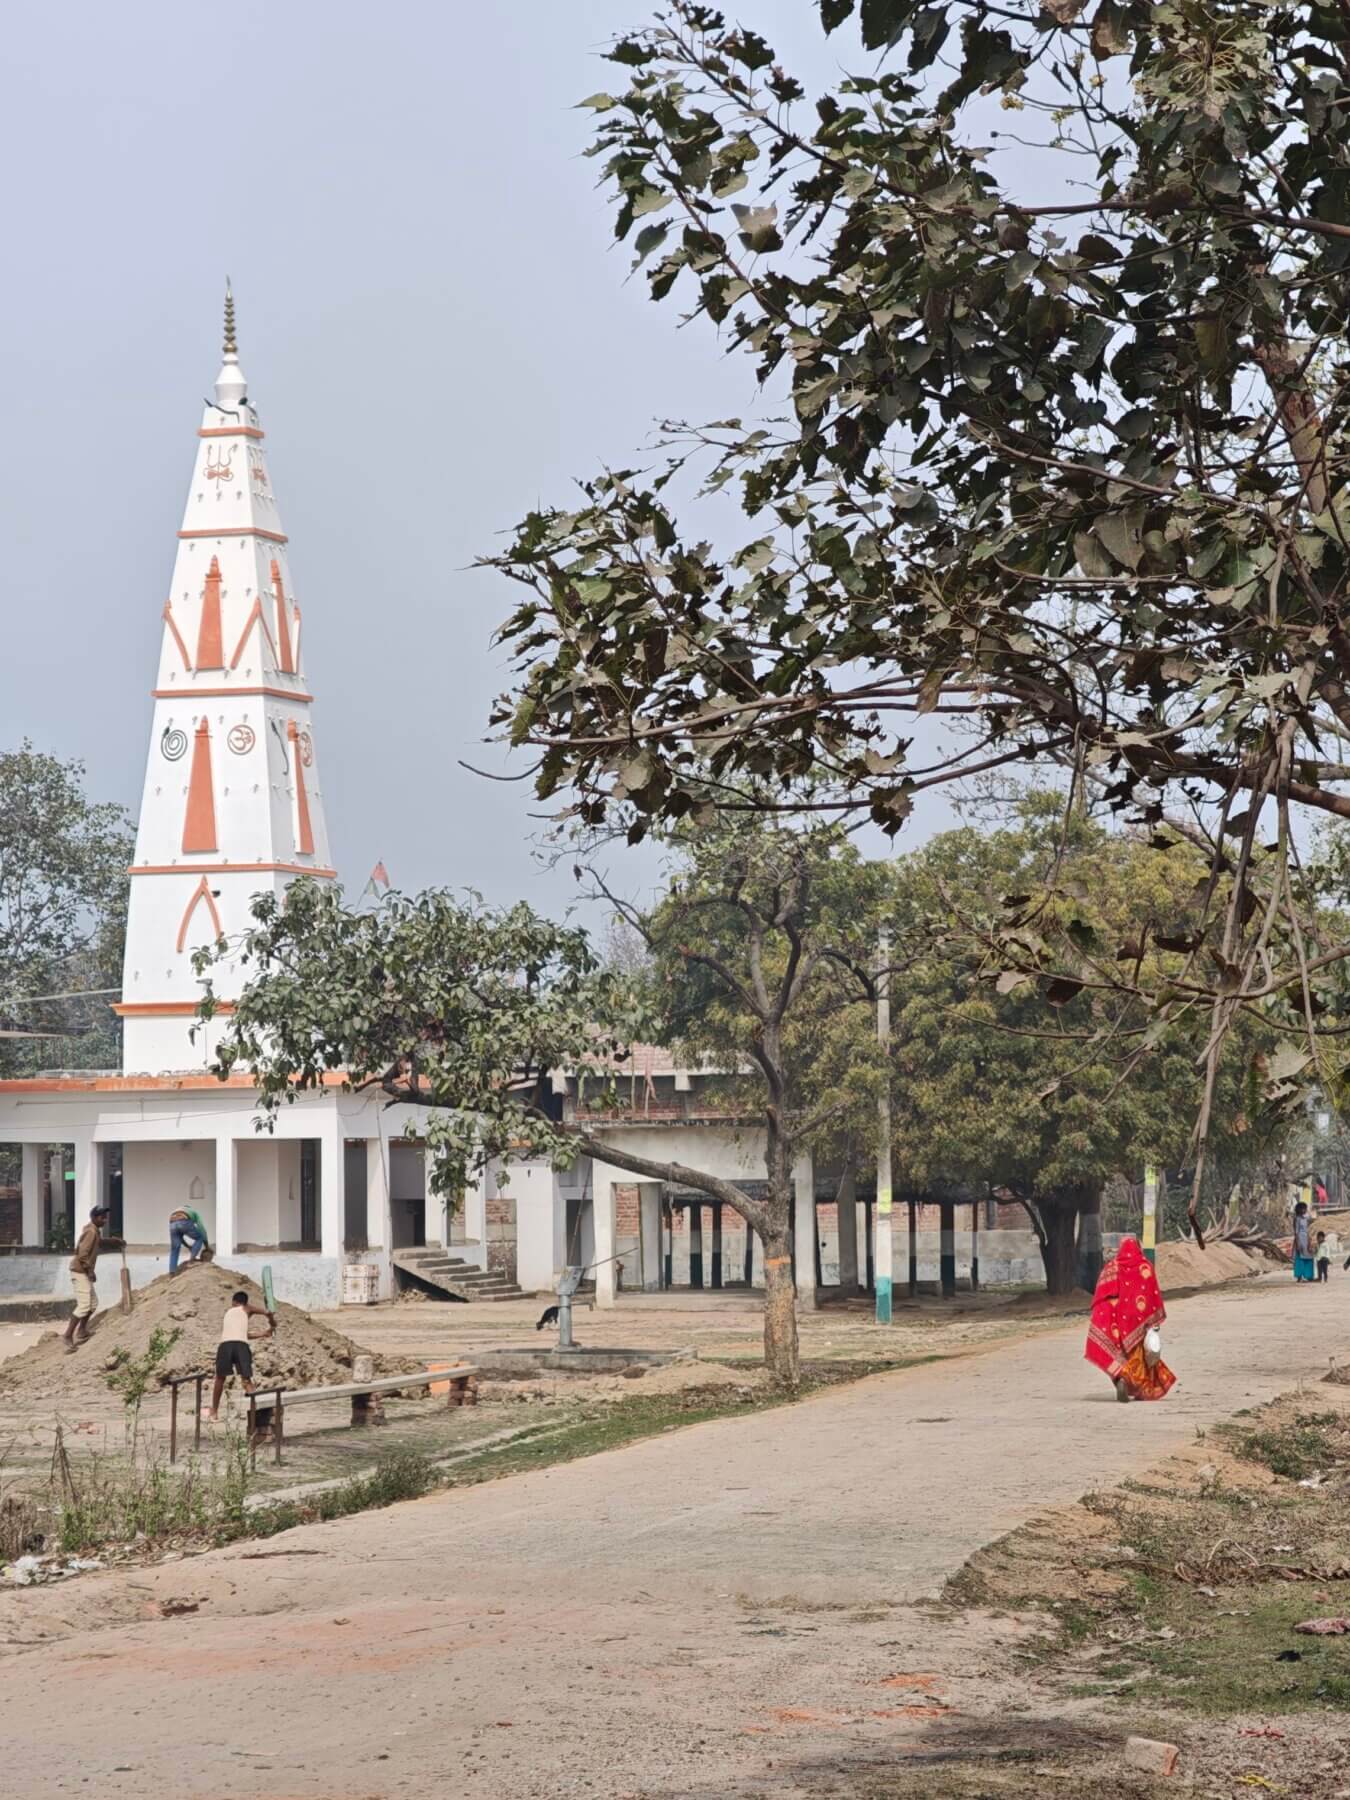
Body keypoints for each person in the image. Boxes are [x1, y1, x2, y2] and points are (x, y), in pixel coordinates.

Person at [1085, 1235, 1176, 1402]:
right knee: (1138, 1356)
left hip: (1114, 1319)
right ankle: (1134, 1384)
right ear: (1138, 1248)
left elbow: (1100, 1296)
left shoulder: (1111, 1267)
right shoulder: (1145, 1267)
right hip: (1138, 1320)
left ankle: (1121, 1377)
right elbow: (1152, 1296)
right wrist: (1153, 1323)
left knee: (1118, 1353)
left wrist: (1102, 1318)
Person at [63, 1205, 126, 1353]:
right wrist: (90, 1271)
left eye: (105, 1218)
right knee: (85, 1305)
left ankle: (82, 1331)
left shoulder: (94, 1231)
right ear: (94, 1218)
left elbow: (99, 1242)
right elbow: (82, 1254)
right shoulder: (91, 1232)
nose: (104, 1220)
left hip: (83, 1271)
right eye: (102, 1218)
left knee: (93, 1303)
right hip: (80, 1271)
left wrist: (114, 1241)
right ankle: (68, 1335)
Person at [205, 1290, 274, 1423]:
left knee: (219, 1378)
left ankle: (214, 1412)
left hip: (225, 1345)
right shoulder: (246, 1308)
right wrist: (272, 1322)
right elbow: (267, 1313)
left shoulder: (229, 1312)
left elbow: (242, 1334)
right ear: (245, 1302)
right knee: (246, 1380)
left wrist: (263, 1333)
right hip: (241, 1346)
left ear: (233, 1302)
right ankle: (258, 1414)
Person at [168, 1205, 210, 1274]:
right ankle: (191, 1261)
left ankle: (172, 1272)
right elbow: (201, 1228)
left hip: (172, 1223)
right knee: (200, 1238)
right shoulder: (193, 1212)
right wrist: (207, 1246)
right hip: (184, 1220)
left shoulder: (177, 1210)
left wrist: (188, 1246)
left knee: (174, 1249)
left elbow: (179, 1238)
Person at [1293, 1199, 1316, 1282]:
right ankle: (1299, 1276)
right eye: (1303, 1208)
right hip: (1300, 1239)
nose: (1305, 1210)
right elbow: (1296, 1232)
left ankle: (1309, 1276)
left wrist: (1310, 1241)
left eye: (1305, 1208)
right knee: (1300, 1258)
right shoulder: (1297, 1219)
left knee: (1309, 1257)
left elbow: (1309, 1229)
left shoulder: (1306, 1218)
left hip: (1307, 1239)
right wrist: (1298, 1243)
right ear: (1299, 1209)